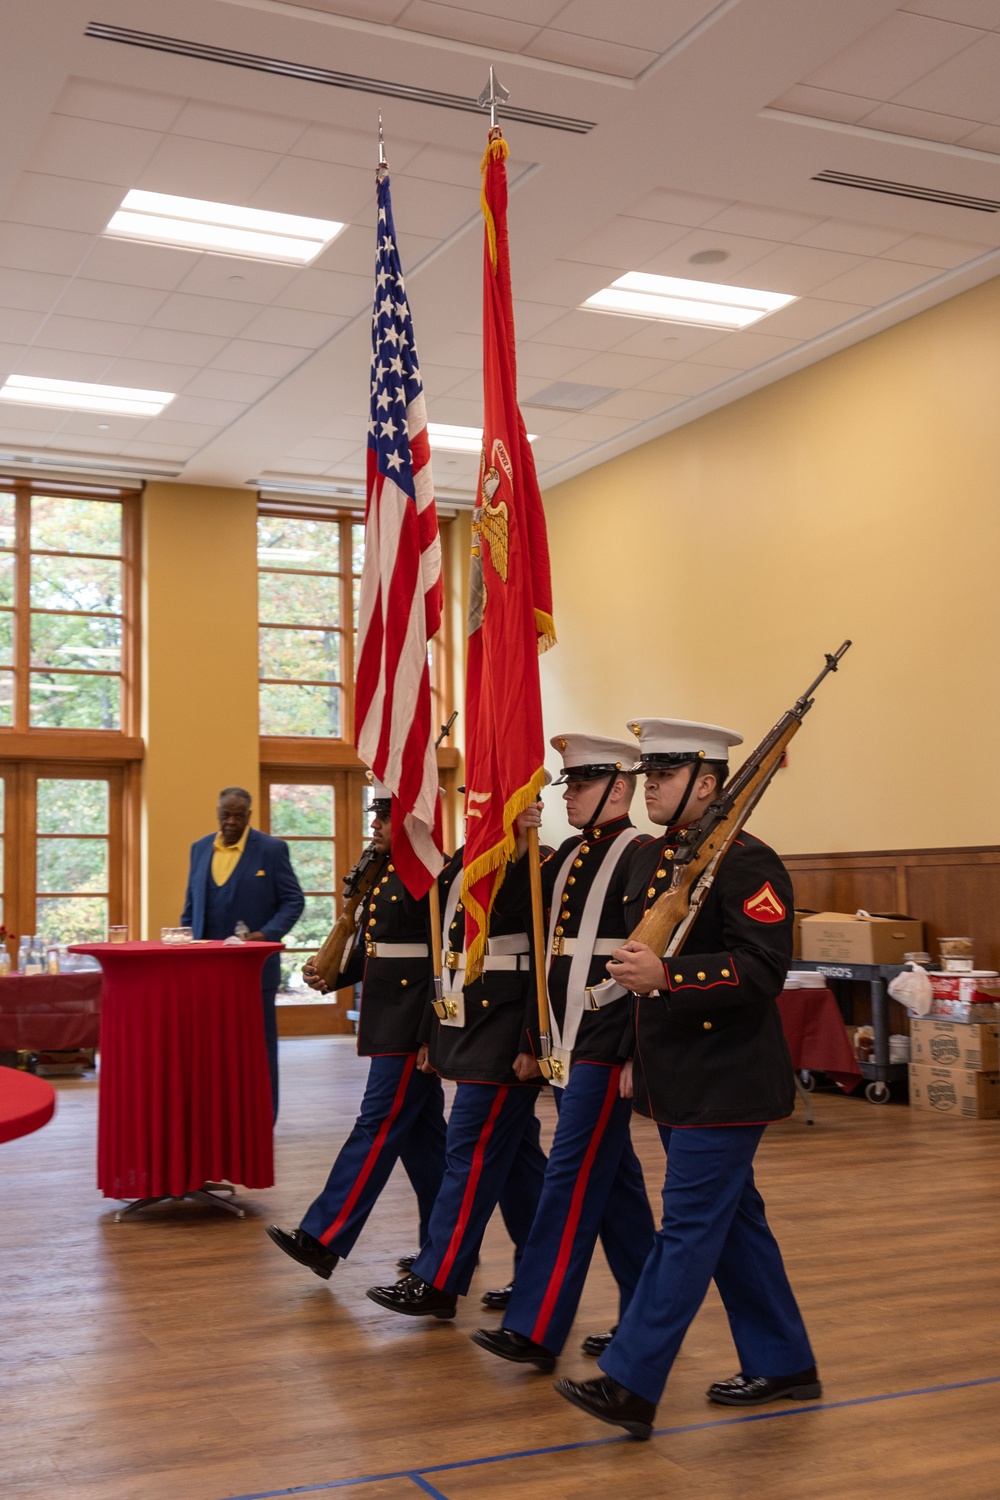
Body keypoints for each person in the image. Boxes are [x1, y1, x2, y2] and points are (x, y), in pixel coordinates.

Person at [555, 718, 820, 1441]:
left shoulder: (746, 862)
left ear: (707, 784)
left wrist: (670, 976)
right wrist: (634, 1057)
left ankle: (632, 1381)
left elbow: (764, 969)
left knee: (690, 1228)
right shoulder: (658, 861)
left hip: (727, 1079)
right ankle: (785, 1361)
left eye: (662, 777)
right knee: (736, 1224)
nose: (648, 788)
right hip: (678, 1076)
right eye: (645, 776)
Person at [470, 734, 655, 1373]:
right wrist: (516, 840)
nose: (567, 797)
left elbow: (647, 966)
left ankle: (537, 1324)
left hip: (605, 1044)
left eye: (579, 785)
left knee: (569, 1177)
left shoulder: (642, 855)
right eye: (567, 786)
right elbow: (528, 940)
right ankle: (640, 1317)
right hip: (561, 1042)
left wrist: (636, 1050)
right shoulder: (567, 855)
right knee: (618, 1190)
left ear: (618, 789)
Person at [366, 819, 550, 1320]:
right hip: (466, 1025)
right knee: (518, 1163)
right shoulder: (462, 861)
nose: (479, 808)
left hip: (507, 1034)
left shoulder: (538, 861)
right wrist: (431, 1030)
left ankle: (438, 1279)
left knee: (466, 1152)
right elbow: (444, 954)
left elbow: (544, 962)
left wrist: (535, 1039)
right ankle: (537, 1280)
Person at [266, 780, 447, 1278]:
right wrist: (333, 973)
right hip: (387, 1011)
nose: (374, 826)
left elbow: (441, 962)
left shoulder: (434, 874)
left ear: (411, 821)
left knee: (378, 1124)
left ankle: (324, 1235)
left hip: (412, 1021)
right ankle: (445, 1252)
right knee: (425, 1143)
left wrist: (435, 1031)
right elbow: (378, 944)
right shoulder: (384, 870)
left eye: (384, 818)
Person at [181, 786, 304, 1121]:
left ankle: (264, 1117)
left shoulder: (271, 850)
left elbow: (294, 901)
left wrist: (264, 936)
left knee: (259, 1048)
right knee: (210, 1047)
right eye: (225, 815)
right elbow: (190, 910)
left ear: (249, 815)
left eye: (238, 815)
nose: (231, 821)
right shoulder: (200, 849)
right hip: (207, 970)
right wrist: (187, 947)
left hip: (255, 969)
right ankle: (216, 1114)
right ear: (217, 812)